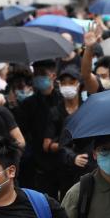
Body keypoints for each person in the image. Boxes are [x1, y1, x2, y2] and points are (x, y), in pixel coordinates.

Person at [13, 60, 62, 195]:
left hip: (62, 156)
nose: (38, 77)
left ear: (53, 75)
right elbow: (23, 130)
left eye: (42, 74)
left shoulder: (62, 99)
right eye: (36, 74)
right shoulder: (28, 104)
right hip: (38, 162)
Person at [43, 66, 91, 200]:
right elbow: (46, 145)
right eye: (64, 82)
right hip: (64, 169)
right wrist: (68, 152)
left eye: (71, 82)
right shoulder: (55, 112)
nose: (67, 86)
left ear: (79, 84)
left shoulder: (87, 108)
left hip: (88, 165)